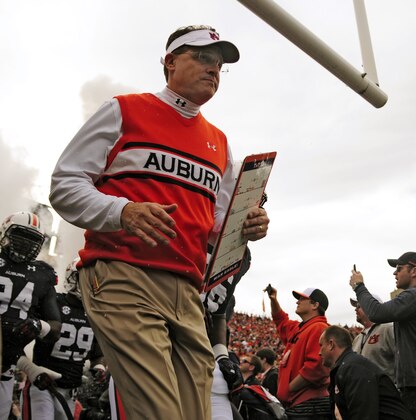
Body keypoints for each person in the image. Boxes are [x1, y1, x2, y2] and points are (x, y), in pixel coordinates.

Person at [49, 24, 270, 419]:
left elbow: (216, 220)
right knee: (160, 412)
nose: (214, 69)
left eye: (219, 64)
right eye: (203, 57)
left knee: (195, 413)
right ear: (170, 61)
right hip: (123, 274)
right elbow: (65, 184)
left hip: (188, 290)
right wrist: (123, 211)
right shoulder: (124, 109)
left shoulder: (219, 141)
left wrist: (245, 224)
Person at [349, 252, 416, 420]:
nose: (394, 273)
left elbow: (376, 312)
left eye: (399, 268)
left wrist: (359, 286)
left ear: (414, 271)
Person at [20, 258, 106, 420]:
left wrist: (99, 368)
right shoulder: (54, 302)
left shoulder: (97, 313)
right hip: (43, 386)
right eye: (84, 278)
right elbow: (19, 341)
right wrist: (30, 369)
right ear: (72, 277)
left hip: (71, 391)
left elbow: (97, 355)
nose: (88, 284)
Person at [0, 211, 62, 419]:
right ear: (4, 232)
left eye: (32, 240)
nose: (25, 244)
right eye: (20, 236)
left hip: (7, 368)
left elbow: (55, 328)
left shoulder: (42, 274)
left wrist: (39, 325)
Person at [266, 285, 332, 419]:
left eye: (302, 299)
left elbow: (316, 368)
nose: (297, 301)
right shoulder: (300, 328)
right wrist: (274, 300)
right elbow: (281, 321)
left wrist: (288, 389)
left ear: (315, 305)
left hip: (310, 404)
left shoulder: (319, 327)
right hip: (298, 402)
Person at [319, 325, 411, 420]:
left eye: (321, 345)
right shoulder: (348, 367)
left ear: (331, 344)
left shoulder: (353, 368)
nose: (319, 352)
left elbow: (363, 415)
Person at [349, 295, 396, 381]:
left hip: (387, 392)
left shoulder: (388, 328)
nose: (355, 309)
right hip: (364, 391)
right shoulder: (358, 338)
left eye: (359, 306)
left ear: (372, 306)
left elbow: (404, 361)